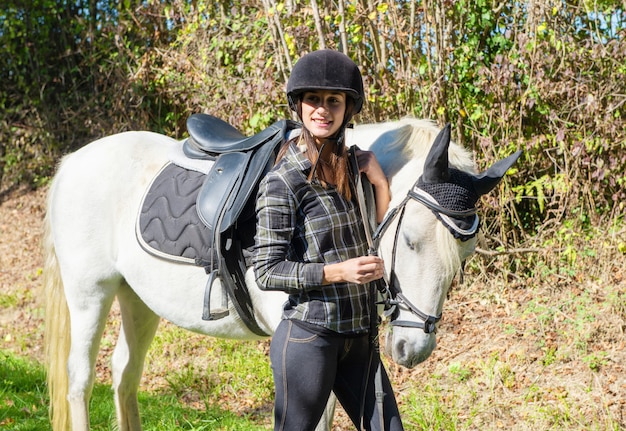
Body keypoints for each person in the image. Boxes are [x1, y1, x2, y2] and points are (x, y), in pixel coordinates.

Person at [253, 49, 404, 431]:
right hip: (310, 339)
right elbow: (267, 271)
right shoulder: (283, 181)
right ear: (299, 106)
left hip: (359, 338)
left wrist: (381, 184)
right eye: (313, 100)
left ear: (347, 108)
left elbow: (378, 234)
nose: (322, 109)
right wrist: (339, 272)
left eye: (333, 100)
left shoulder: (354, 167)